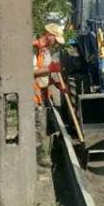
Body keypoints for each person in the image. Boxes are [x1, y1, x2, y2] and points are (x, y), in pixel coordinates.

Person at [33, 23, 65, 167]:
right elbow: (31, 72)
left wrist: (55, 83)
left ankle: (46, 154)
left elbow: (45, 75)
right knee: (38, 126)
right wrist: (51, 68)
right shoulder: (34, 48)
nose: (56, 43)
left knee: (46, 125)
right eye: (55, 39)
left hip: (44, 92)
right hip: (34, 92)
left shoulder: (46, 51)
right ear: (48, 35)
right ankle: (38, 159)